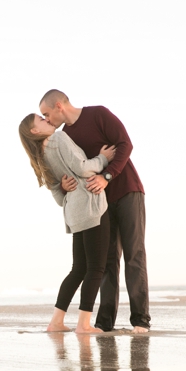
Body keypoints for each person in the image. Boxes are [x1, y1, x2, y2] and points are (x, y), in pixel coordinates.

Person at [39, 90, 151, 333]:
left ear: (59, 105)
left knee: (134, 255)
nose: (46, 120)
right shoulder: (64, 136)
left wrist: (107, 177)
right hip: (98, 204)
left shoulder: (98, 114)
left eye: (46, 114)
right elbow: (72, 170)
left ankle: (140, 320)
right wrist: (63, 186)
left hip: (127, 190)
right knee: (108, 260)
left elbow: (125, 145)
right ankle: (104, 323)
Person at [18, 113, 117, 334]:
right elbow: (83, 168)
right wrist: (103, 158)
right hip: (91, 207)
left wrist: (66, 194)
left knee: (78, 269)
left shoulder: (40, 155)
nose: (48, 121)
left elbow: (56, 192)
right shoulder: (59, 138)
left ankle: (56, 322)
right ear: (35, 131)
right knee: (96, 268)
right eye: (42, 121)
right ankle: (83, 324)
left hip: (73, 211)